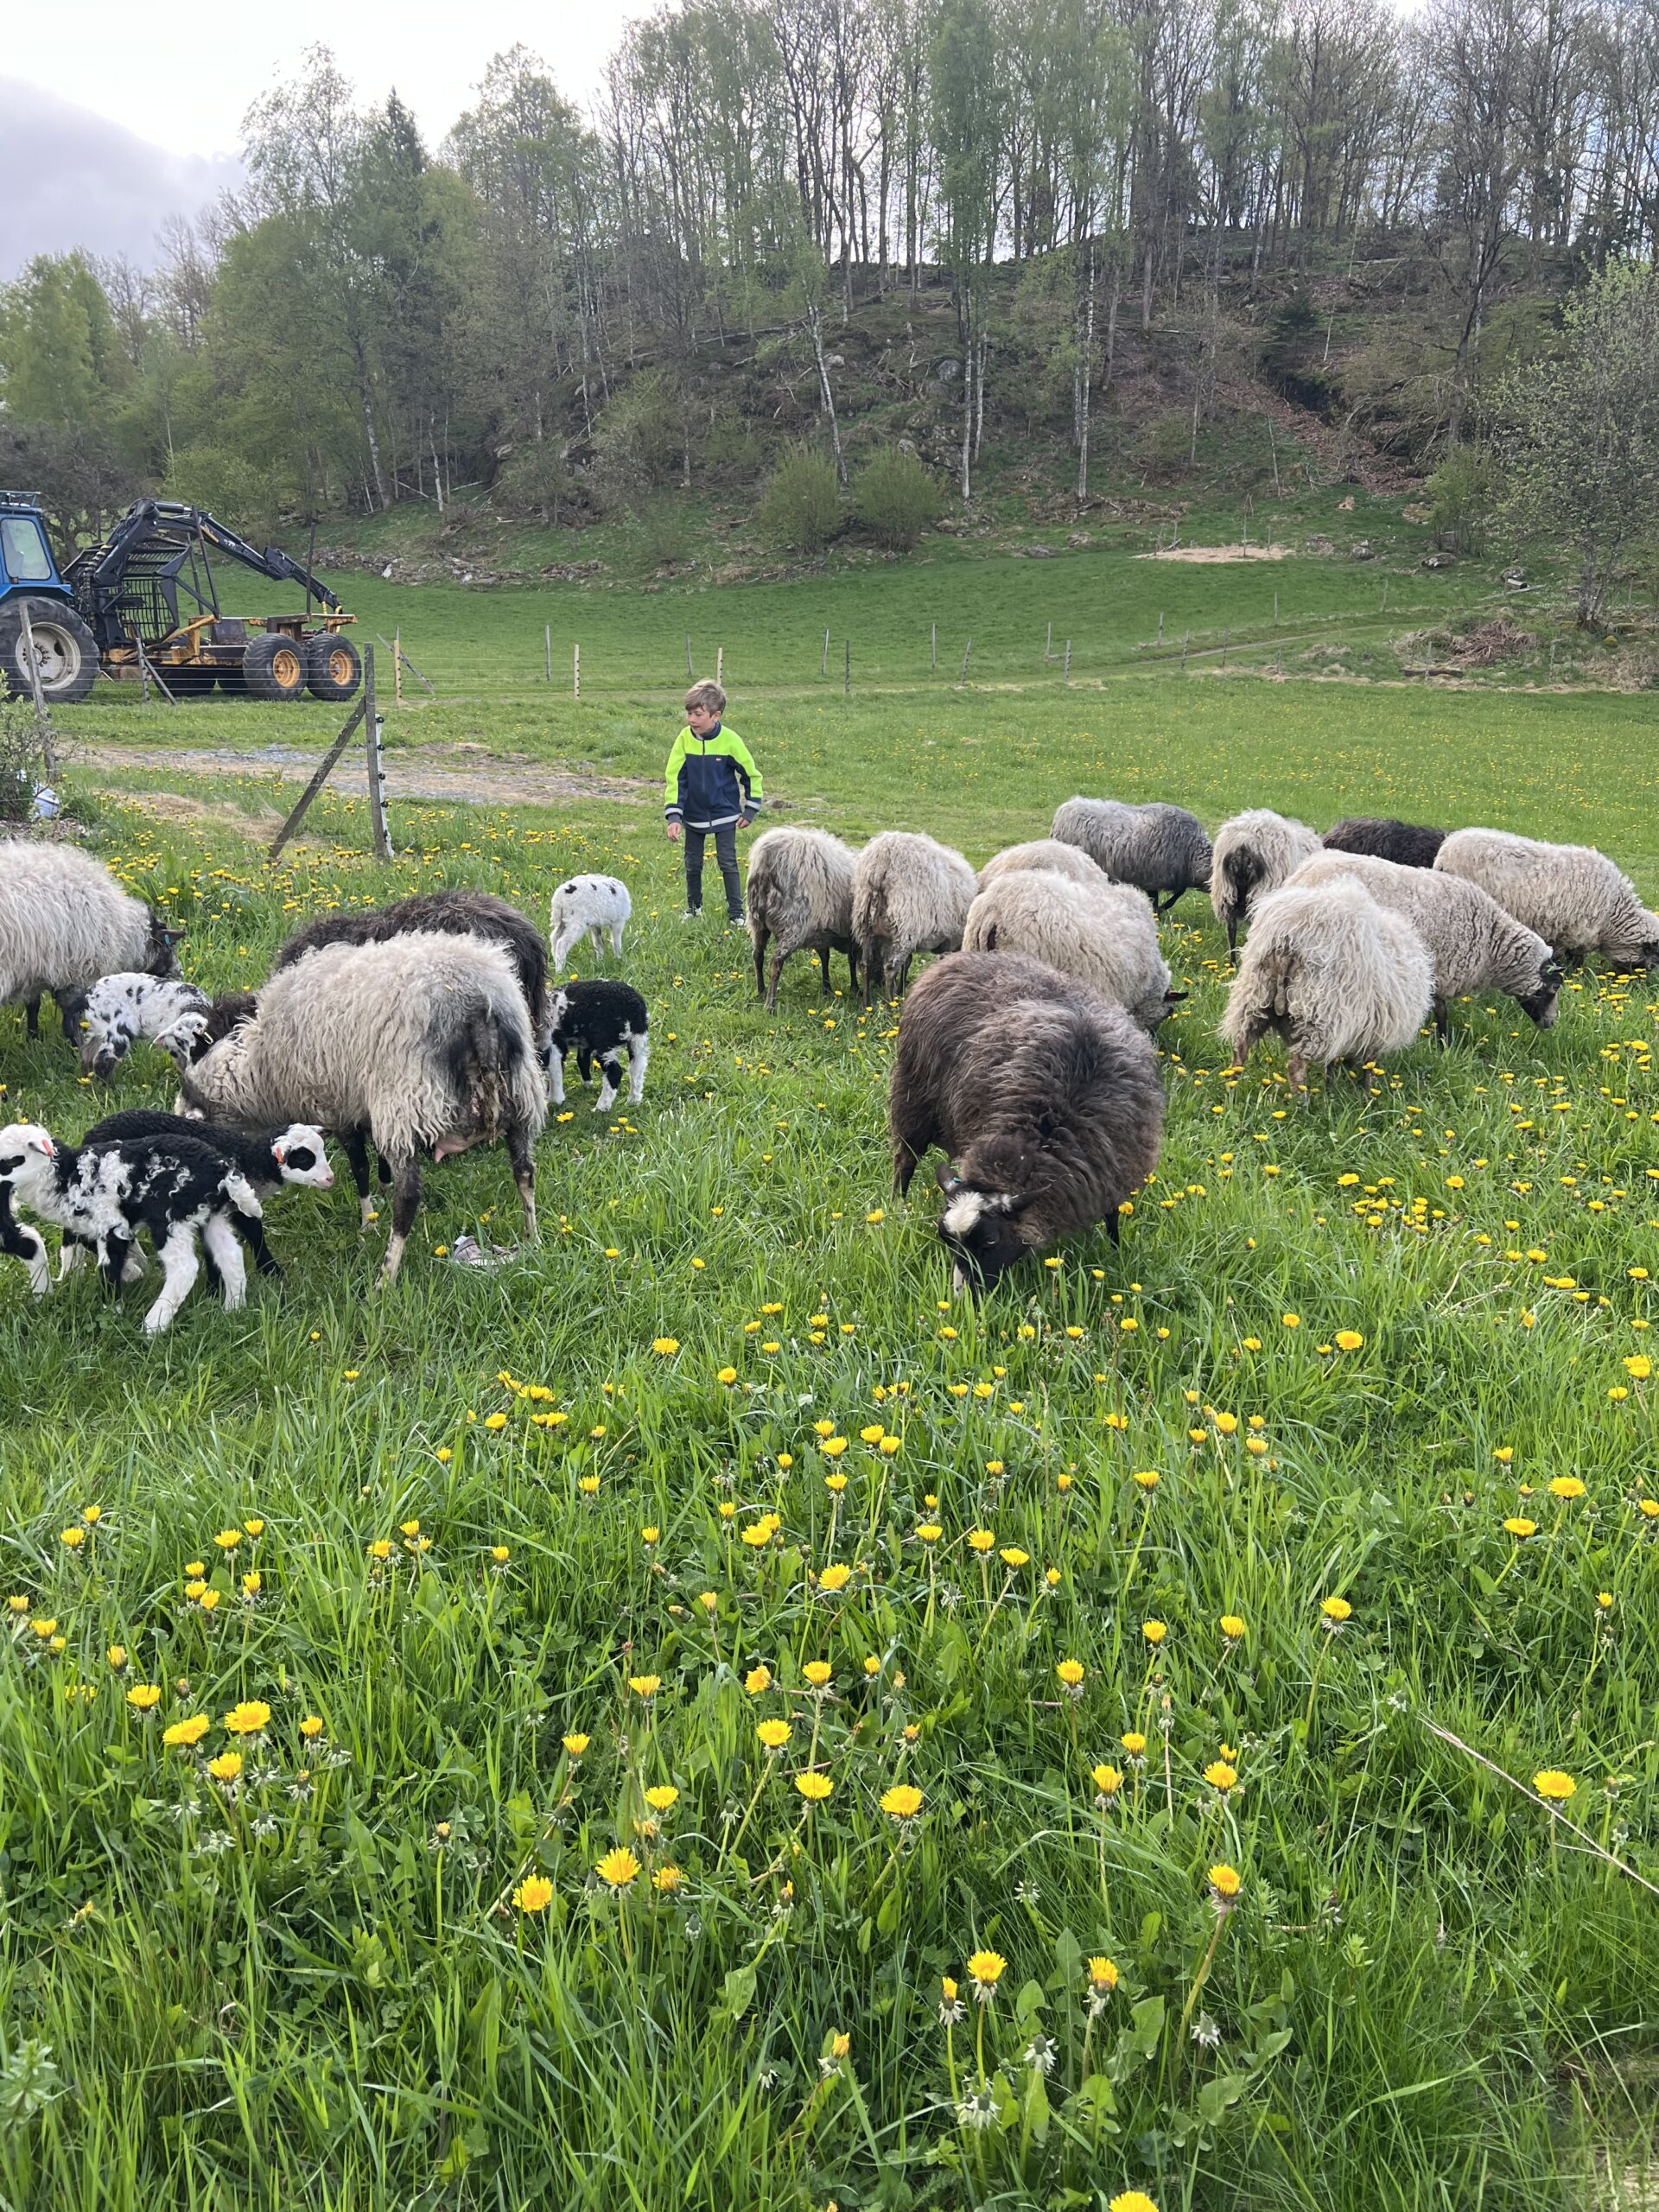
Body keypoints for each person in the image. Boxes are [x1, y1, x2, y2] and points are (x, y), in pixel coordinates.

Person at [663, 678, 763, 922]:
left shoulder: (731, 740)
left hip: (725, 814)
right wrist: (674, 816)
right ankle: (694, 909)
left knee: (728, 863)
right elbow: (675, 778)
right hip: (693, 815)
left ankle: (737, 914)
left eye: (698, 714)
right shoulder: (684, 739)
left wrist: (750, 809)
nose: (691, 719)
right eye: (689, 713)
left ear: (716, 716)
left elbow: (751, 775)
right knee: (692, 864)